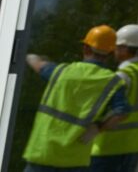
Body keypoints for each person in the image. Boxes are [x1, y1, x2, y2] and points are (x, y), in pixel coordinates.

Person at [23, 25, 129, 172]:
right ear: (110, 54)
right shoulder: (112, 82)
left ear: (85, 48)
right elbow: (122, 112)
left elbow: (37, 64)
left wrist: (28, 55)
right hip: (75, 160)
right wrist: (98, 128)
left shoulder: (61, 72)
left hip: (42, 153)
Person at [90, 24, 138, 172]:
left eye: (116, 47)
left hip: (111, 146)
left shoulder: (124, 74)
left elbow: (109, 109)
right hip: (136, 145)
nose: (114, 51)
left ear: (124, 48)